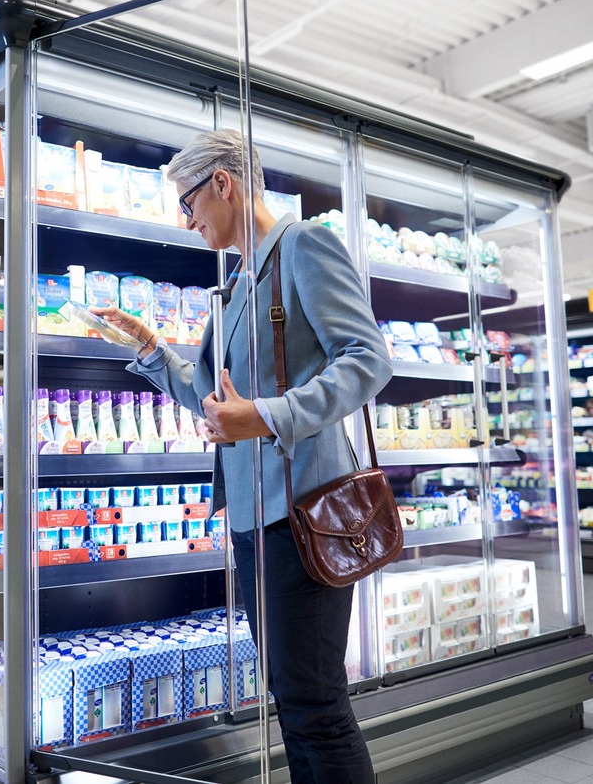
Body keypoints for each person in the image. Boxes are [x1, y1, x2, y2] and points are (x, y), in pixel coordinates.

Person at [94, 129, 392, 784]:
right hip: (255, 522)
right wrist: (151, 351)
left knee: (315, 701)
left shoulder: (302, 247)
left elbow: (370, 359)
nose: (187, 219)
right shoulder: (236, 281)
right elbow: (213, 400)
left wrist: (266, 415)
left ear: (222, 184)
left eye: (189, 202)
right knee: (293, 700)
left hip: (306, 513)